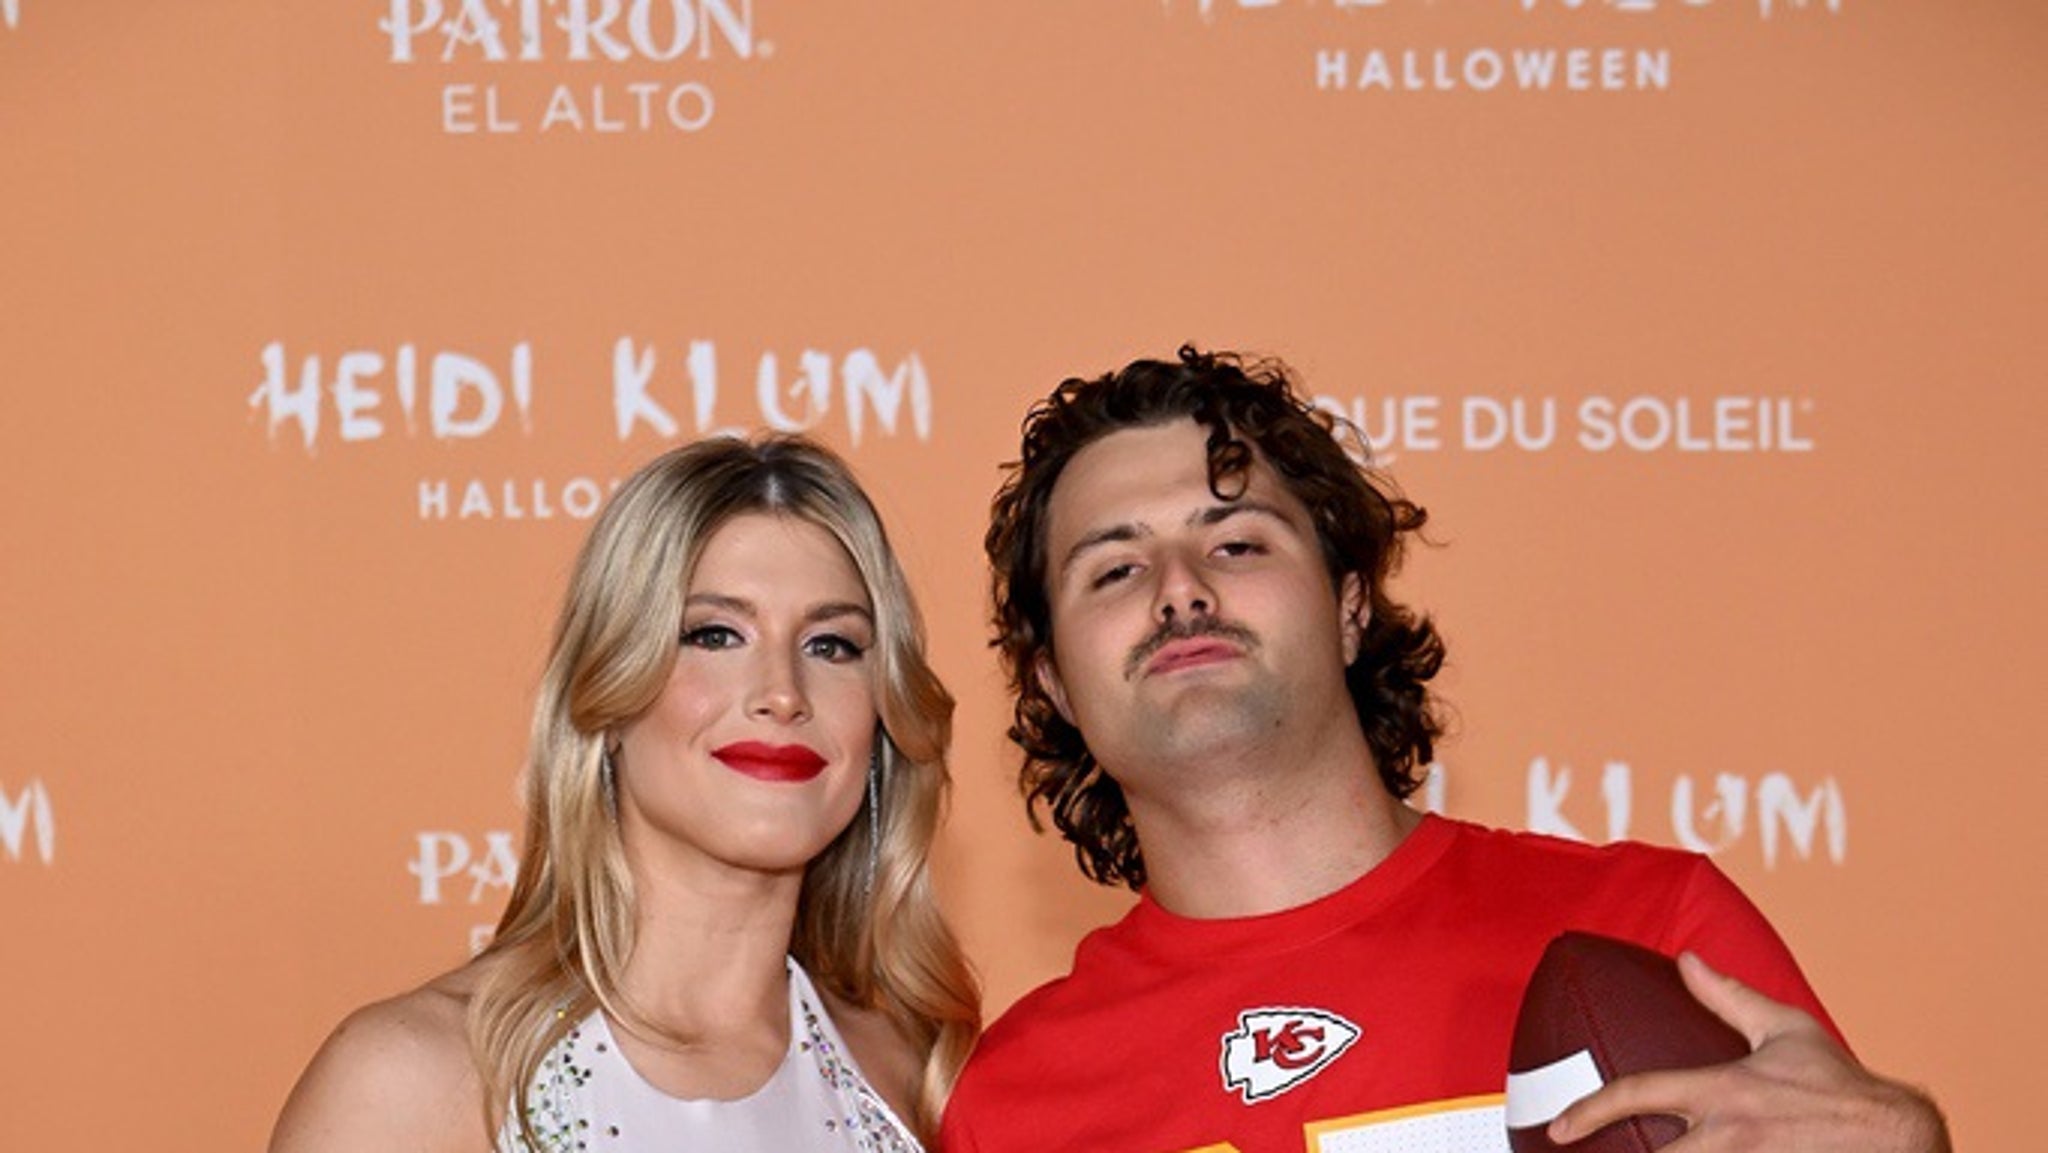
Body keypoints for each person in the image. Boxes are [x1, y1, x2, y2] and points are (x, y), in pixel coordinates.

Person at [941, 347, 1948, 1151]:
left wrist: (1902, 1140)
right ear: (1053, 682)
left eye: (1236, 542)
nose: (1179, 588)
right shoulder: (1013, 1103)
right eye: (1114, 569)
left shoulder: (1648, 932)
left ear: (1349, 607)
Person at [270, 434, 979, 1153]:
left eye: (831, 645)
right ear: (609, 696)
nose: (783, 692)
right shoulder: (415, 1081)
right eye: (714, 635)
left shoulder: (913, 1073)